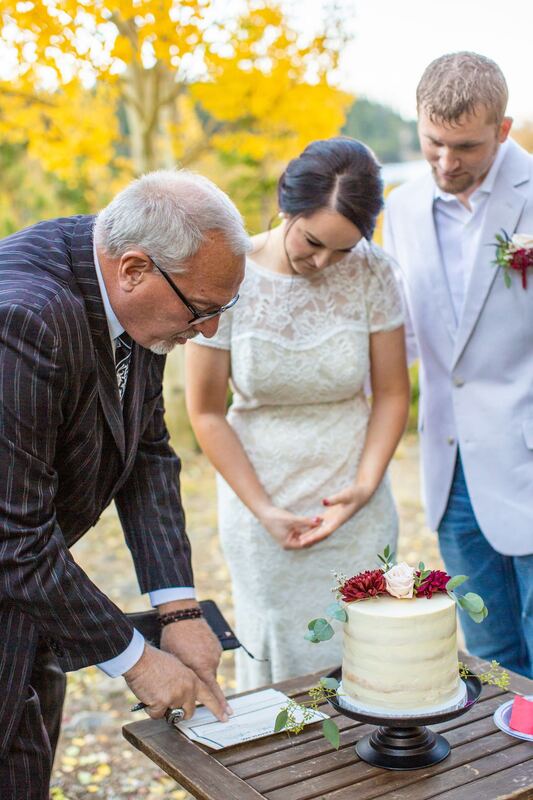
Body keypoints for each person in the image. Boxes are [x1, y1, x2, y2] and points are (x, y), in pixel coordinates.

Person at [0, 169, 250, 798]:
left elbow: (146, 454)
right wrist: (139, 662)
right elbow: (13, 535)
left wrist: (181, 610)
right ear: (135, 268)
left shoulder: (134, 300)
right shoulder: (24, 317)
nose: (209, 331)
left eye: (222, 310)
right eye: (202, 310)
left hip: (35, 601)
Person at [185, 138, 410, 690]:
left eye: (343, 250)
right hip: (263, 506)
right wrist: (263, 509)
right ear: (287, 206)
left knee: (369, 658)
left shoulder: (373, 273)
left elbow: (392, 394)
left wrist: (362, 487)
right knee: (279, 666)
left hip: (355, 504)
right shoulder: (229, 274)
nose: (324, 262)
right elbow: (206, 411)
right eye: (313, 242)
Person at [383, 52, 533, 678]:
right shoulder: (402, 208)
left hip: (527, 453)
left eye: (466, 147)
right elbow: (410, 334)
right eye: (432, 143)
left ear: (503, 130)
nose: (446, 164)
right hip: (450, 470)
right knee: (489, 656)